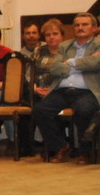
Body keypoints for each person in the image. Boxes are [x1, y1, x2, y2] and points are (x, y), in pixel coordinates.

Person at [33, 12, 100, 164]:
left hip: (87, 91)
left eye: (84, 24)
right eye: (77, 25)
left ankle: (85, 152)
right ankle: (61, 146)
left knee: (83, 110)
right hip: (62, 90)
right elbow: (54, 68)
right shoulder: (65, 45)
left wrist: (70, 62)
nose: (80, 27)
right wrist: (86, 63)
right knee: (40, 110)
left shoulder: (98, 43)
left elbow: (97, 62)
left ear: (94, 28)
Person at [33, 18, 67, 97]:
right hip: (38, 92)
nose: (51, 37)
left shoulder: (68, 52)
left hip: (61, 93)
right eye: (48, 35)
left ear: (62, 36)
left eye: (55, 34)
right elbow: (28, 73)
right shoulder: (38, 51)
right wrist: (33, 87)